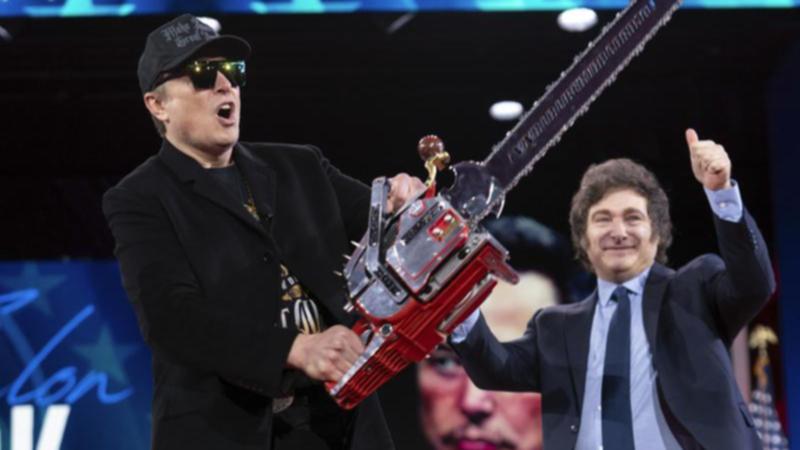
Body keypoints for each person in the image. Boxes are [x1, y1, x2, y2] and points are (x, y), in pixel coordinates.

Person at [103, 14, 422, 450]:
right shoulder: (139, 198)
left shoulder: (302, 166)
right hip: (227, 432)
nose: (224, 84)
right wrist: (294, 349)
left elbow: (385, 219)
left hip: (343, 426)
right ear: (157, 105)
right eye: (201, 74)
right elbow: (171, 317)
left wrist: (408, 202)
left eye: (232, 71)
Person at [451, 129, 776, 449]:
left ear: (657, 233)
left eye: (633, 218)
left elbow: (754, 284)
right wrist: (458, 297)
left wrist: (721, 193)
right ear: (584, 238)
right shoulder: (555, 327)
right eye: (602, 219)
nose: (618, 231)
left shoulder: (694, 288)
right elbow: (495, 368)